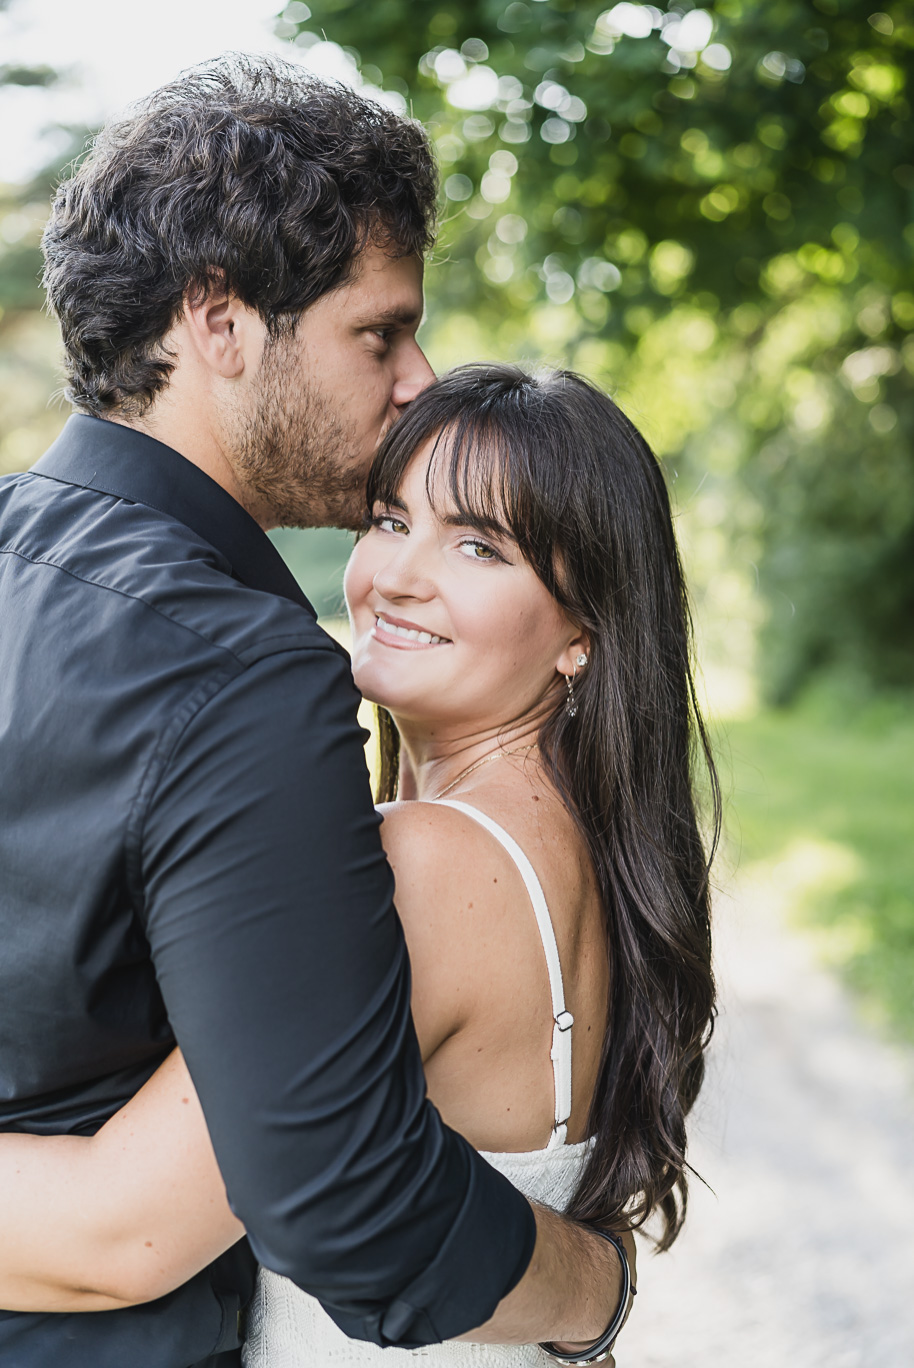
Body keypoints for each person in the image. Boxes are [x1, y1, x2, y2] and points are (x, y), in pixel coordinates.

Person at [0, 58, 630, 1368]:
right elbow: (346, 1199)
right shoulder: (240, 672)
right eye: (379, 332)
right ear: (217, 325)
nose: (418, 376)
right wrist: (597, 1297)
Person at [0, 363, 718, 1367]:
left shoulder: (421, 867)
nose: (397, 575)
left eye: (477, 544)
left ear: (581, 630)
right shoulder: (570, 846)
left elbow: (117, 1237)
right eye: (388, 519)